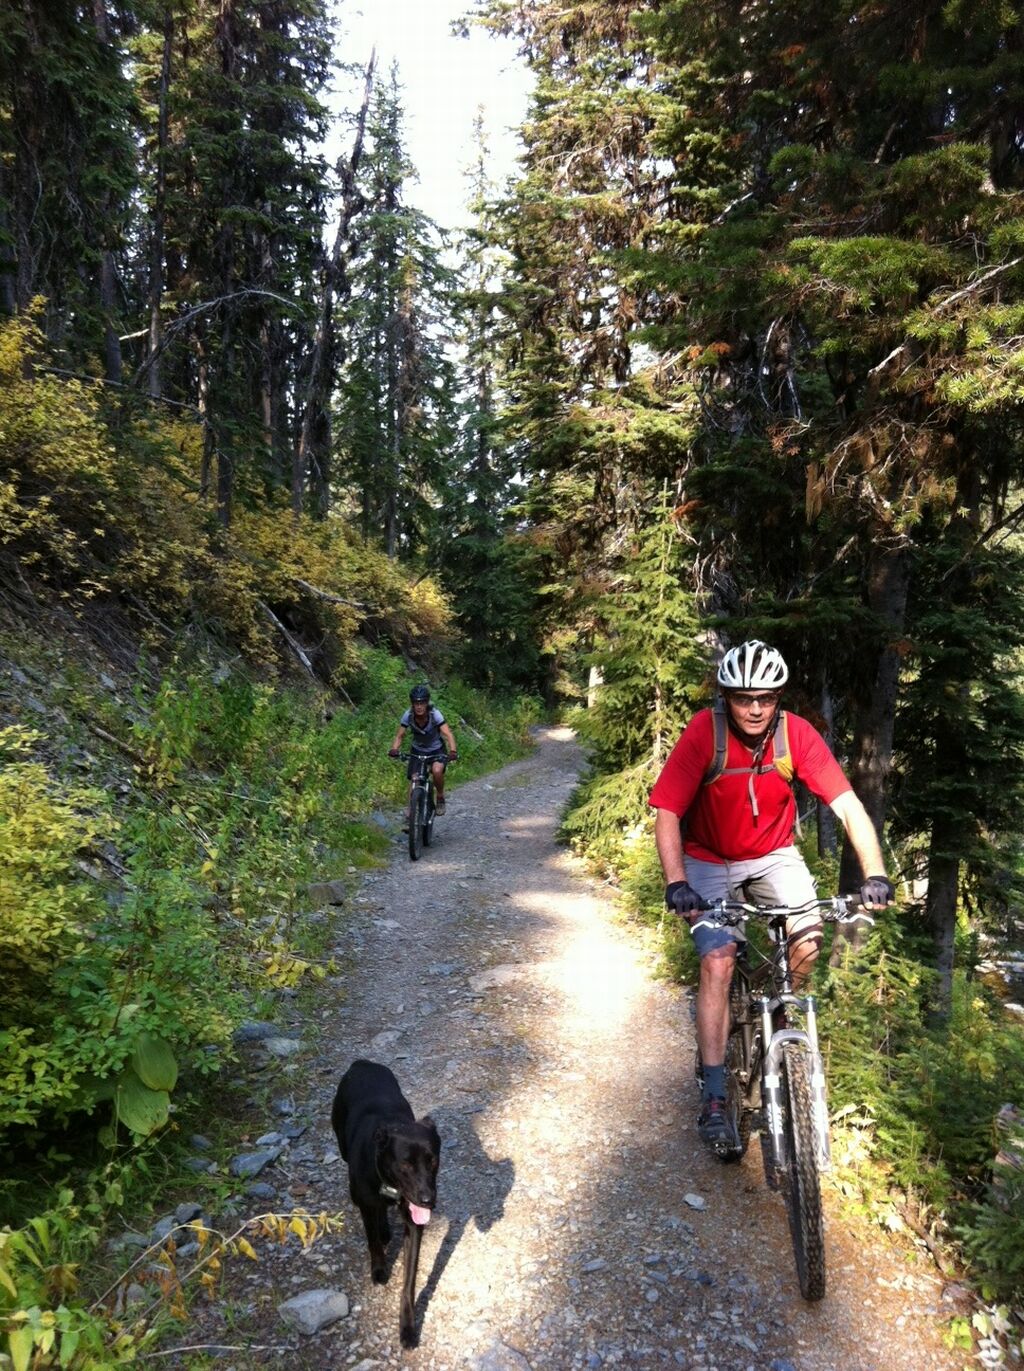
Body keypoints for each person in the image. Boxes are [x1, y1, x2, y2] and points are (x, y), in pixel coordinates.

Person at [649, 639, 895, 1151]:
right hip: (708, 857)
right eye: (744, 698)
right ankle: (714, 1094)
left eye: (765, 698)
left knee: (808, 936)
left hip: (773, 854)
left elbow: (848, 805)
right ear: (727, 697)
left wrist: (874, 873)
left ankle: (779, 1014)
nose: (756, 709)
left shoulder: (795, 734)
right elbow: (668, 811)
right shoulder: (705, 733)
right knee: (718, 958)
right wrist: (677, 882)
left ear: (778, 697)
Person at [388, 685, 458, 818]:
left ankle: (440, 797)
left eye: (422, 703)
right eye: (416, 703)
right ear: (412, 704)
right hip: (418, 750)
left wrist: (453, 751)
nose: (419, 706)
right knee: (414, 778)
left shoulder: (435, 714)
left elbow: (448, 734)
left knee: (437, 771)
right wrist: (394, 749)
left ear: (427, 703)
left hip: (436, 749)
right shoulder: (408, 715)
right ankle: (411, 810)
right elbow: (400, 735)